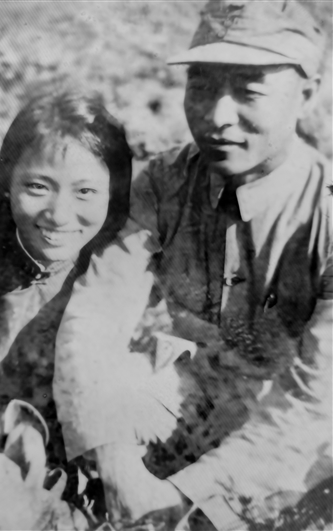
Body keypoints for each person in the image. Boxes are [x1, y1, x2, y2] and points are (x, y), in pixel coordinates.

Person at [52, 1, 332, 530]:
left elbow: (315, 403)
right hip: (198, 395)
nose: (217, 115)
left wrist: (182, 494)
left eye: (249, 90)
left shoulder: (327, 214)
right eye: (200, 86)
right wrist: (115, 461)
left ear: (308, 94)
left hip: (299, 430)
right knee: (105, 394)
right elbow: (96, 317)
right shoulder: (164, 182)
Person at [0, 90, 132, 498]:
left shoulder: (120, 277)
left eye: (85, 192)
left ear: (113, 195)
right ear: (7, 183)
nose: (58, 215)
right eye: (38, 186)